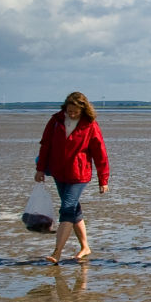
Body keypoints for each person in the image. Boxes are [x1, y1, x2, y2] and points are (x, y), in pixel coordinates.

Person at [33, 92, 110, 264]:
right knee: (74, 210)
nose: (72, 114)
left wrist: (103, 179)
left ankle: (57, 252)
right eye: (69, 111)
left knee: (67, 209)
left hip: (79, 175)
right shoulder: (55, 121)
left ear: (83, 110)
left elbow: (100, 154)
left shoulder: (90, 125)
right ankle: (85, 247)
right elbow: (45, 145)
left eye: (75, 112)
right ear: (65, 108)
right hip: (59, 173)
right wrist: (40, 170)